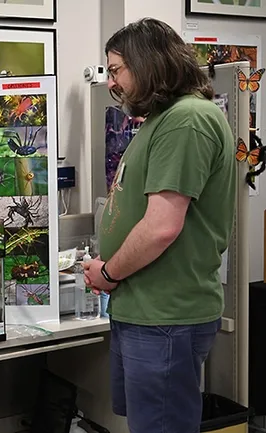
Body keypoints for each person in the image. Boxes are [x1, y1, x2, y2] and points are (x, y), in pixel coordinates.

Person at [84, 18, 237, 433]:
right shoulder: (162, 119)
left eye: (116, 70)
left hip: (166, 316)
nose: (112, 82)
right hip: (145, 311)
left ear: (147, 64)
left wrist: (110, 271)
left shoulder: (187, 120)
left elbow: (161, 227)